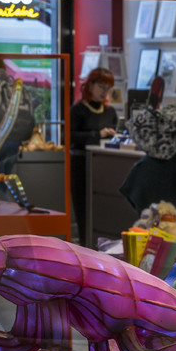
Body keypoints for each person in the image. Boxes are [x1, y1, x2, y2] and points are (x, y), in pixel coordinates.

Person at [68, 66, 118, 243]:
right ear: (90, 86)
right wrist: (97, 135)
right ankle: (84, 244)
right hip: (81, 164)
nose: (104, 92)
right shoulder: (77, 110)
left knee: (101, 208)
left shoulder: (110, 112)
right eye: (101, 87)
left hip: (103, 166)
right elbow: (69, 136)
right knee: (82, 209)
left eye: (107, 89)